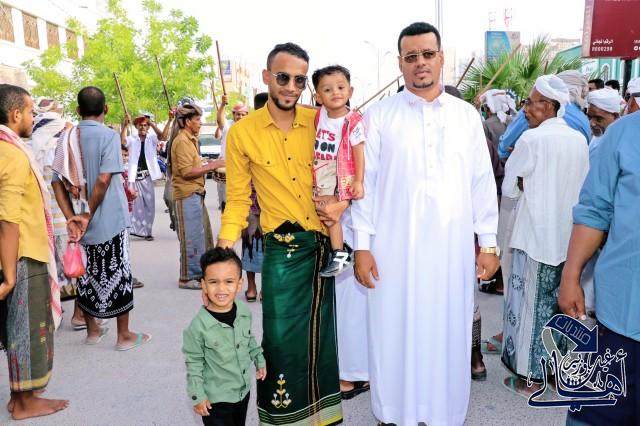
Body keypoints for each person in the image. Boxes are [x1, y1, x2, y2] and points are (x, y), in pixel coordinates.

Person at [351, 22, 500, 425]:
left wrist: (488, 243)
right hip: (392, 251)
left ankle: (443, 414)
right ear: (400, 63)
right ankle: (393, 413)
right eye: (411, 56)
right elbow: (365, 186)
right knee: (392, 330)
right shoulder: (379, 116)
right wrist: (361, 245)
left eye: (428, 54)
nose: (420, 63)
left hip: (450, 251)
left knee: (446, 331)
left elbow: (481, 182)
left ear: (441, 57)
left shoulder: (465, 116)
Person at [218, 42, 346, 425]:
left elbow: (350, 170)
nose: (291, 87)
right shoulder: (243, 133)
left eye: (300, 80)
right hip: (280, 249)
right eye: (284, 77)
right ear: (267, 77)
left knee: (319, 341)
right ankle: (283, 420)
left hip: (321, 247)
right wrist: (224, 251)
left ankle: (322, 419)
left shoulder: (320, 121)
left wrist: (343, 204)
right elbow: (238, 199)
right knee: (278, 339)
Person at [500, 75, 589, 398]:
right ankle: (558, 374)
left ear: (549, 105)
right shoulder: (579, 140)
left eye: (531, 102)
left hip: (535, 238)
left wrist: (523, 185)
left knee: (531, 310)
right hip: (569, 240)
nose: (525, 109)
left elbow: (509, 188)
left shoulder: (531, 140)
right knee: (561, 308)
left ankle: (531, 380)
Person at [52, 86, 151, 351]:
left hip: (80, 225)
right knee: (119, 273)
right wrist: (87, 215)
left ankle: (93, 331)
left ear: (78, 110)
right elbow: (104, 178)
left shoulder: (67, 137)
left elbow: (56, 182)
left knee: (85, 274)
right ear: (105, 109)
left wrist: (72, 218)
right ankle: (123, 336)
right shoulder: (108, 136)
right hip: (111, 220)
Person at [559, 111, 640, 426]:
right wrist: (571, 275)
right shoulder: (624, 134)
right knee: (594, 417)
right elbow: (594, 211)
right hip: (622, 317)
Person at [0, 84, 69, 420]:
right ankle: (25, 402)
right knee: (27, 329)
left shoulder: (8, 148)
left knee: (19, 327)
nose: (32, 117)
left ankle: (19, 398)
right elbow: (8, 218)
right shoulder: (12, 154)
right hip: (24, 254)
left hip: (20, 252)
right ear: (15, 114)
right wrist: (10, 275)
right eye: (29, 111)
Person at [182, 247, 266, 426]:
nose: (221, 288)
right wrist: (197, 395)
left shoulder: (244, 311)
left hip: (242, 392)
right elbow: (194, 363)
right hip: (216, 399)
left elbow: (249, 338)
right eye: (213, 282)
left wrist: (259, 358)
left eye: (229, 281)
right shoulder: (197, 328)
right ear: (204, 285)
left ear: (239, 284)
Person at [311, 65, 365, 276]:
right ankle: (341, 250)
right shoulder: (320, 115)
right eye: (327, 89)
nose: (335, 92)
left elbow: (359, 151)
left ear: (350, 91)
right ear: (318, 97)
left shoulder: (353, 121)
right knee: (327, 211)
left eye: (341, 87)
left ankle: (340, 252)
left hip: (343, 171)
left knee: (337, 212)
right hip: (322, 169)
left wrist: (358, 180)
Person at [170, 102, 223, 289]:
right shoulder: (182, 141)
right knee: (191, 238)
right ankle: (187, 278)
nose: (200, 123)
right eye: (198, 119)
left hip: (195, 193)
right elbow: (186, 172)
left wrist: (208, 164)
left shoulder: (189, 139)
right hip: (187, 194)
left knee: (201, 237)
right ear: (187, 122)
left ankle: (198, 273)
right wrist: (213, 165)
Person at [121, 114, 171, 241]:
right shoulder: (132, 139)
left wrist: (166, 120)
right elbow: (123, 142)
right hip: (134, 178)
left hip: (147, 177)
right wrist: (125, 126)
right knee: (136, 206)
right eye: (140, 125)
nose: (143, 127)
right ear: (136, 126)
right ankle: (136, 230)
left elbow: (163, 137)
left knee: (149, 205)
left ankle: (147, 231)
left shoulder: (152, 138)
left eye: (145, 125)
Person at [241, 92, 268, 302]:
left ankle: (262, 287)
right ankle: (252, 287)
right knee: (251, 243)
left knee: (267, 246)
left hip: (270, 202)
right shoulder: (247, 132)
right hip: (252, 201)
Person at [215, 97, 250, 211]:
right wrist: (222, 105)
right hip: (226, 171)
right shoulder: (228, 126)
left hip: (243, 172)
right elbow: (219, 121)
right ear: (233, 114)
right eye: (238, 114)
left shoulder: (250, 128)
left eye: (243, 114)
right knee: (226, 205)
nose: (240, 117)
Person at [586, 88, 622, 153]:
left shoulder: (622, 143)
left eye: (598, 118)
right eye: (589, 117)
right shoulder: (599, 135)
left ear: (615, 116)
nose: (592, 123)